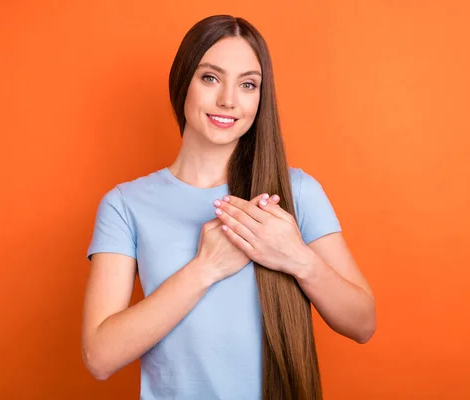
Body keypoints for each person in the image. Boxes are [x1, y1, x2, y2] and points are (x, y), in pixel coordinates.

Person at [81, 14, 375, 400]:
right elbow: (99, 356)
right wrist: (205, 269)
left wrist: (296, 258)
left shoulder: (297, 192)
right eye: (210, 78)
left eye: (248, 84)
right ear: (183, 81)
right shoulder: (125, 205)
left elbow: (363, 323)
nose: (228, 100)